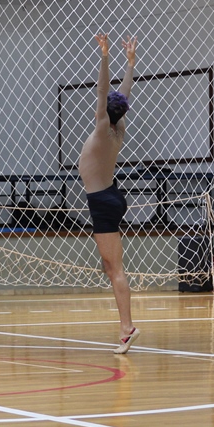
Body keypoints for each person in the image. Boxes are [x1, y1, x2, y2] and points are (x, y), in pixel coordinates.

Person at [79, 32, 139, 354]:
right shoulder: (118, 128)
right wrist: (130, 64)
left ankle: (126, 328)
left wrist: (104, 57)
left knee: (115, 269)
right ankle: (125, 327)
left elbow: (104, 91)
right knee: (111, 266)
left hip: (102, 201)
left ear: (105, 111)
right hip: (110, 196)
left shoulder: (104, 128)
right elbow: (121, 96)